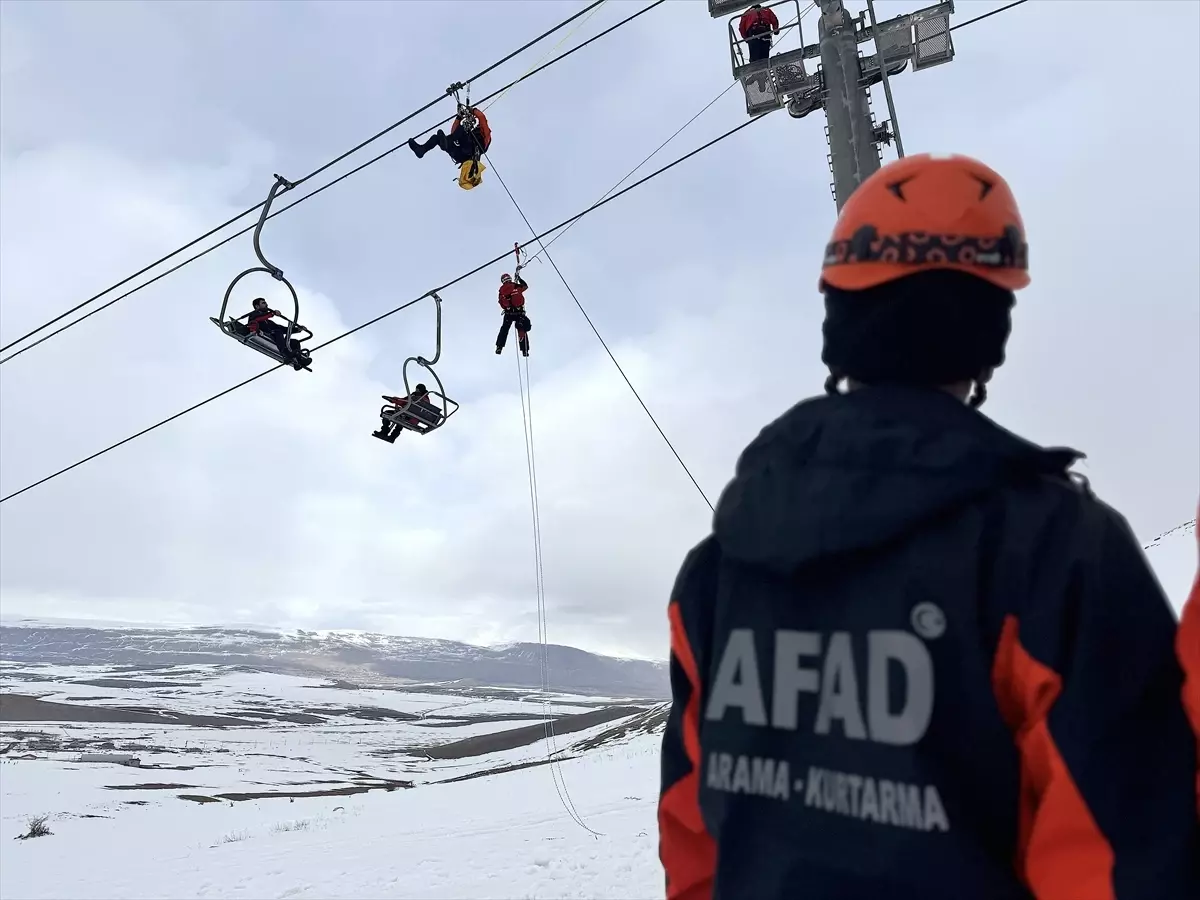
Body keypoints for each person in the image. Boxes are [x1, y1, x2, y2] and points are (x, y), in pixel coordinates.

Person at [657, 153, 1200, 900]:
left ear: (840, 321)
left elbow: (693, 838)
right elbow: (1112, 855)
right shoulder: (1054, 549)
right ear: (989, 335)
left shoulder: (718, 569)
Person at [408, 106, 492, 179]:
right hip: (459, 155)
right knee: (436, 138)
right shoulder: (471, 135)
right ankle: (422, 150)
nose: (476, 127)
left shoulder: (486, 135)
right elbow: (455, 132)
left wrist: (472, 110)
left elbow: (482, 117)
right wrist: (459, 117)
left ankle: (446, 143)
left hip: (468, 153)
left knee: (462, 129)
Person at [245, 297, 311, 369]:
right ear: (257, 306)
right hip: (264, 334)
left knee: (295, 342)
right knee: (278, 332)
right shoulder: (253, 315)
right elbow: (258, 318)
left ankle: (299, 361)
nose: (266, 305)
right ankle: (286, 354)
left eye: (266, 303)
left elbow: (282, 328)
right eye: (263, 303)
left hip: (277, 338)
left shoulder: (269, 322)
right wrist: (272, 313)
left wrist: (297, 329)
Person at [495, 271, 531, 357]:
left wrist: (507, 307)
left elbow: (501, 302)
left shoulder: (501, 290)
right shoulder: (515, 286)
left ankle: (499, 347)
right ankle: (524, 350)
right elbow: (525, 286)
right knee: (521, 329)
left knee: (504, 329)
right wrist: (519, 279)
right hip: (519, 312)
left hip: (509, 313)